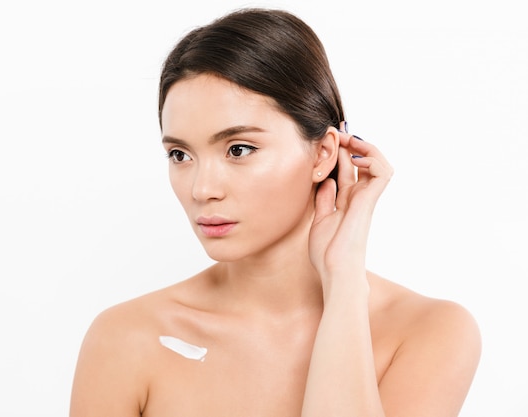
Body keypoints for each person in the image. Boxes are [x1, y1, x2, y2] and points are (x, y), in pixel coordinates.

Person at [69, 8, 481, 417]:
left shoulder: (430, 333)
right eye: (180, 154)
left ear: (323, 153)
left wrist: (344, 285)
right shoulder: (127, 339)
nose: (202, 189)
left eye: (238, 149)